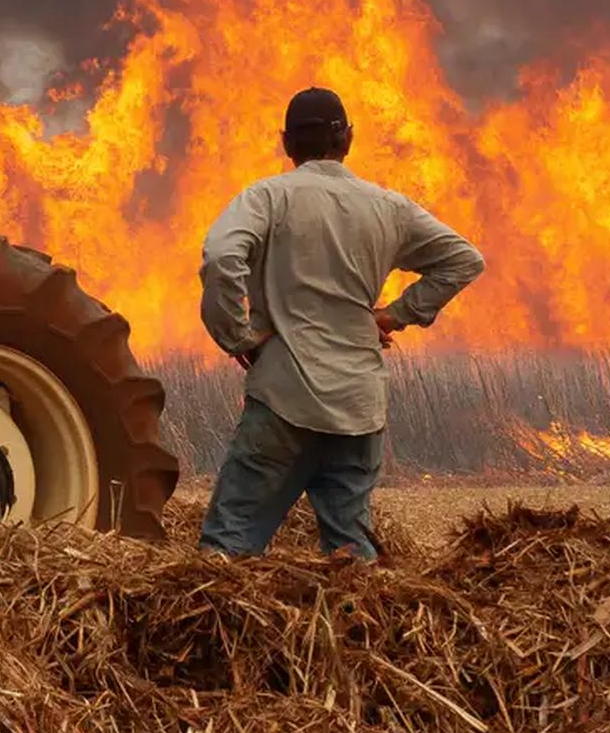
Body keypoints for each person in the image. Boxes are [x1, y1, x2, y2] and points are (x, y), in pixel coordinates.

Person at [197, 87, 485, 561]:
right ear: (347, 139)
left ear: (287, 143)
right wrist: (395, 314)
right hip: (358, 407)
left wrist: (237, 336)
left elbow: (223, 256)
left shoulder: (268, 198)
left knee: (227, 551)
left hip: (284, 400)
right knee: (351, 560)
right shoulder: (388, 207)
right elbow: (464, 260)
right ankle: (358, 633)